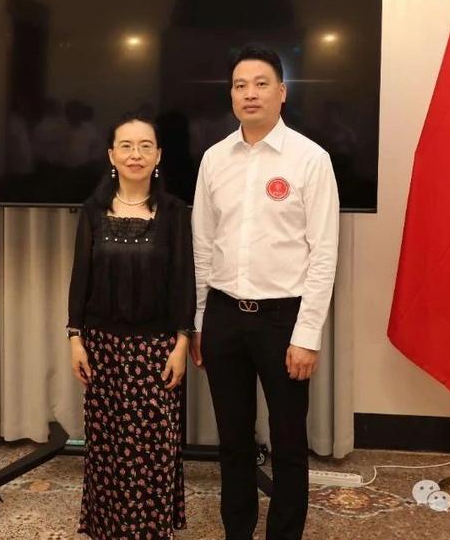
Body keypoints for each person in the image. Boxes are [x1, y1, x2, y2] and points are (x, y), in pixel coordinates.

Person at [191, 44, 340, 540]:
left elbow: (323, 253)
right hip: (224, 316)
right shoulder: (214, 159)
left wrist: (308, 334)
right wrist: (200, 321)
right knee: (233, 440)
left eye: (260, 84)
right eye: (240, 85)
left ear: (282, 92)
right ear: (231, 96)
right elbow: (202, 246)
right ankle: (237, 531)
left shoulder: (310, 159)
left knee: (289, 442)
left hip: (284, 320)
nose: (250, 94)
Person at [67, 111, 196, 540]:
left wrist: (182, 342)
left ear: (158, 155)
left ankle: (151, 530)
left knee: (153, 447)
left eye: (145, 146)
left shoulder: (174, 212)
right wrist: (75, 339)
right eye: (126, 146)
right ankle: (108, 528)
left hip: (155, 348)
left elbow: (183, 280)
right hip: (101, 346)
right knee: (106, 444)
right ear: (112, 155)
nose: (135, 154)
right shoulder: (92, 210)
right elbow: (80, 279)